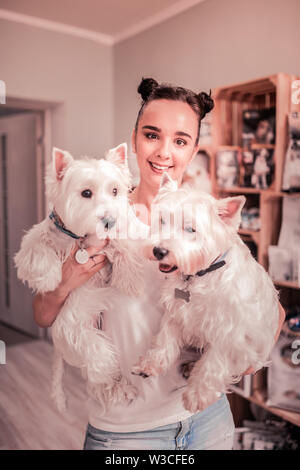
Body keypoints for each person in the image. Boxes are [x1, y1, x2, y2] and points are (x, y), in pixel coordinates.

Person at [34, 78, 286, 450]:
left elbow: (273, 309)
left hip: (206, 419)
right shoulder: (95, 214)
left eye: (180, 140)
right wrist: (66, 280)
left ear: (194, 149)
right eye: (152, 135)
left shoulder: (209, 222)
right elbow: (41, 313)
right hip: (125, 432)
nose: (164, 152)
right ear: (135, 138)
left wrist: (245, 357)